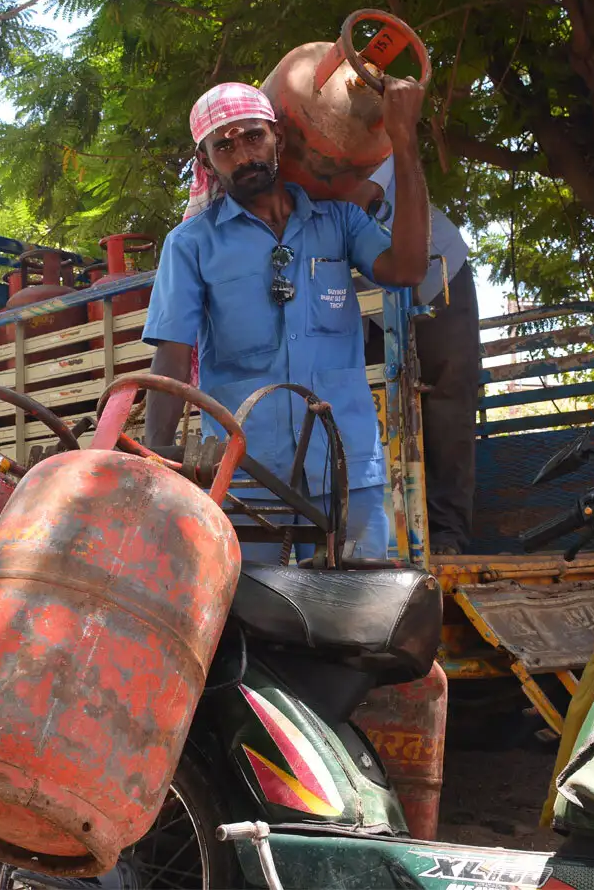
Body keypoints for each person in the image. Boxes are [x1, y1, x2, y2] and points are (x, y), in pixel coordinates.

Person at [141, 80, 429, 563]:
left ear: (277, 136)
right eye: (224, 146)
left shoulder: (339, 222)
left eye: (253, 136)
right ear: (207, 162)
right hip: (247, 478)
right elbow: (172, 354)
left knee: (359, 618)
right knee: (255, 623)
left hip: (346, 471)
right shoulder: (191, 244)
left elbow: (407, 269)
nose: (242, 154)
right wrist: (156, 462)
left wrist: (404, 140)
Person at [349, 159, 478, 556]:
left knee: (444, 400)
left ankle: (447, 534)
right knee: (376, 409)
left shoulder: (357, 118)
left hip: (436, 273)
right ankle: (385, 538)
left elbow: (366, 187)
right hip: (364, 299)